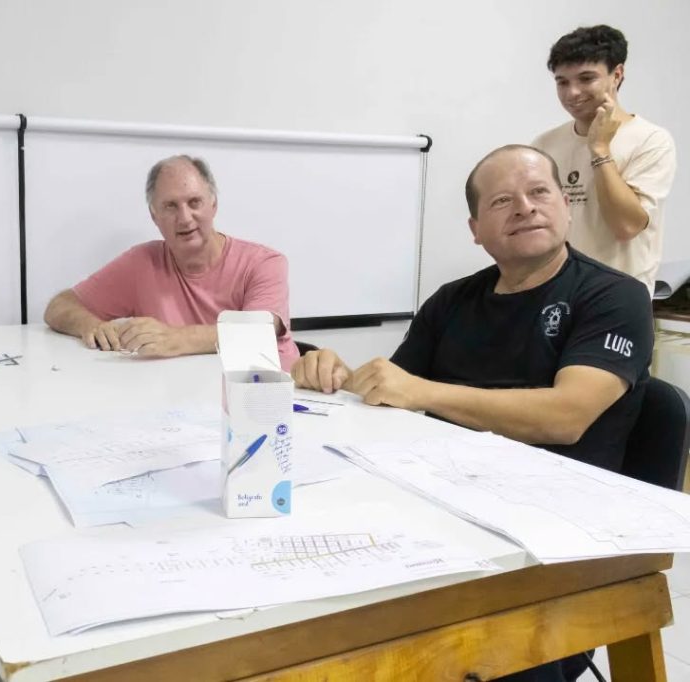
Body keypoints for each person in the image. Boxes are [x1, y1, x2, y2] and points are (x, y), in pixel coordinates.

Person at [293, 144, 653, 682]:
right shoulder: (452, 300)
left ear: (565, 205)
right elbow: (393, 398)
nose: (525, 207)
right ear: (475, 229)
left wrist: (425, 392)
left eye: (539, 192)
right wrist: (333, 374)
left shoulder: (615, 296)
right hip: (441, 511)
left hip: (549, 538)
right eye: (502, 201)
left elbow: (566, 416)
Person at [43, 154, 299, 370]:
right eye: (170, 206)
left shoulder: (265, 263)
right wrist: (93, 326)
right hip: (182, 400)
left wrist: (175, 338)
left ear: (213, 205)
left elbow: (258, 332)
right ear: (154, 216)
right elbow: (59, 306)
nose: (185, 218)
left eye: (194, 202)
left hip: (269, 397)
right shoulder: (141, 263)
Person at [532, 24, 676, 293]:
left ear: (617, 75)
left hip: (619, 296)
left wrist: (599, 149)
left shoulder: (650, 140)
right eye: (562, 82)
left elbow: (626, 226)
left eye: (586, 79)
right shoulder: (544, 145)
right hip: (556, 292)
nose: (572, 93)